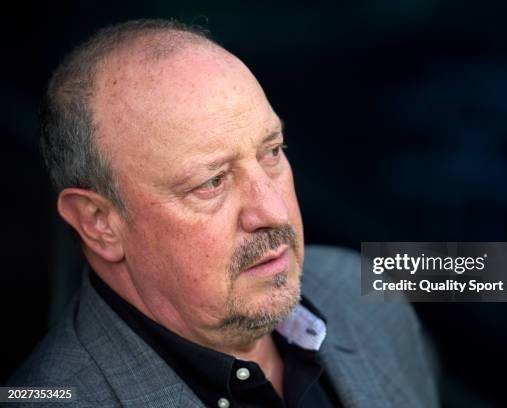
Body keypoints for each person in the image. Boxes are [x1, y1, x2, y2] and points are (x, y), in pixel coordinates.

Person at [8, 19, 438, 407]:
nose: (273, 211)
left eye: (271, 152)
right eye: (212, 182)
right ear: (99, 223)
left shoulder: (364, 296)